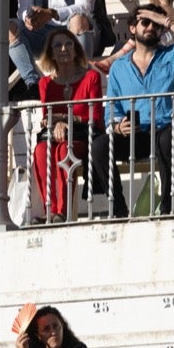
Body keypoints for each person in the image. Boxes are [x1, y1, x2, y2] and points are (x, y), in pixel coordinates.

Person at [91, 4, 174, 218]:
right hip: (138, 135)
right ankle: (118, 210)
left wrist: (167, 21)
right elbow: (112, 108)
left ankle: (168, 205)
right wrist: (117, 126)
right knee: (99, 146)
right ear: (132, 28)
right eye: (146, 22)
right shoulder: (119, 67)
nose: (151, 26)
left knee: (165, 139)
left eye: (156, 23)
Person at [30, 31, 102, 224]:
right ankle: (49, 210)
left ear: (76, 49)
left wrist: (65, 119)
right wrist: (55, 122)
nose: (64, 49)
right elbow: (48, 117)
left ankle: (62, 212)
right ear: (51, 53)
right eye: (58, 45)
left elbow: (95, 116)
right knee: (40, 150)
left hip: (82, 135)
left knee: (65, 150)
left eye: (69, 44)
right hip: (55, 136)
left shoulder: (91, 77)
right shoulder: (46, 83)